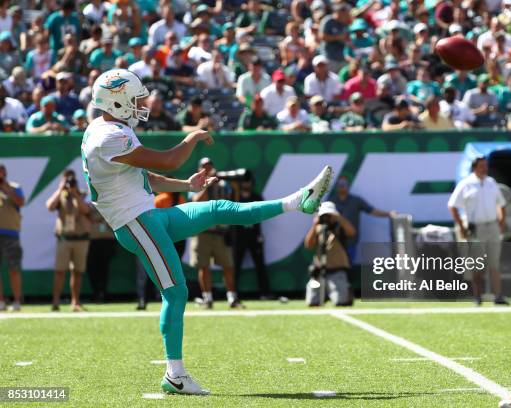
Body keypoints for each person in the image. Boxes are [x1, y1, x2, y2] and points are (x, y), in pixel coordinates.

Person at [82, 69, 333, 395]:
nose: (138, 105)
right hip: (136, 224)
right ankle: (175, 375)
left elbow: (143, 177)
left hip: (148, 216)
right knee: (176, 293)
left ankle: (298, 201)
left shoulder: (105, 130)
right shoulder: (110, 136)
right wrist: (192, 137)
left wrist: (187, 186)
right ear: (116, 99)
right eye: (133, 99)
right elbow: (169, 161)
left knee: (218, 209)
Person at [448, 157, 509, 305]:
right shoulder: (466, 184)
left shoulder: (491, 182)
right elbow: (452, 205)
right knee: (478, 264)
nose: (485, 168)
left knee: (495, 263)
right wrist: (462, 227)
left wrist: (501, 223)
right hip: (476, 228)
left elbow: (501, 204)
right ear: (474, 168)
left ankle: (498, 296)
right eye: (481, 166)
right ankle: (477, 296)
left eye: (486, 166)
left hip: (492, 226)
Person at [189, 158, 243, 310]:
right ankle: (208, 299)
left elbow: (231, 202)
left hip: (220, 232)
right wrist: (206, 185)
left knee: (228, 266)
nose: (208, 170)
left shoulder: (223, 184)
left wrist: (231, 185)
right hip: (202, 232)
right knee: (203, 266)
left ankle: (232, 298)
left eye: (210, 167)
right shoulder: (194, 183)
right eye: (204, 168)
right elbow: (197, 202)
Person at [46, 169, 91, 312]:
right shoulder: (60, 195)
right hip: (64, 238)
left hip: (80, 238)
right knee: (60, 271)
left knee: (77, 272)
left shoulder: (81, 193)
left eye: (71, 179)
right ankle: (56, 301)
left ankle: (75, 302)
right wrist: (60, 189)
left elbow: (86, 210)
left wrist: (75, 193)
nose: (69, 182)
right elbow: (50, 206)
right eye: (66, 179)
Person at [329, 175, 395, 263]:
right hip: (334, 243)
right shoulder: (330, 202)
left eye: (344, 184)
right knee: (334, 269)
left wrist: (388, 214)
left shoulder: (356, 201)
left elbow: (372, 210)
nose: (342, 186)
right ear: (336, 185)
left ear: (348, 185)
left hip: (350, 242)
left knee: (348, 268)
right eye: (340, 184)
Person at [304, 201, 355, 306]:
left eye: (329, 215)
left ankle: (344, 294)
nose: (327, 218)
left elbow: (352, 232)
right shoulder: (318, 228)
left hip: (337, 270)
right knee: (313, 303)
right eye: (324, 215)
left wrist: (338, 218)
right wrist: (315, 225)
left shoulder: (340, 226)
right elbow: (308, 245)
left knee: (342, 302)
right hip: (319, 272)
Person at [230, 173, 272, 299]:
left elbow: (263, 213)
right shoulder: (235, 197)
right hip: (239, 237)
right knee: (235, 266)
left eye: (248, 181)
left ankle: (265, 293)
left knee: (260, 266)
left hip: (255, 236)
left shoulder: (257, 197)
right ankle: (233, 294)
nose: (246, 184)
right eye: (243, 181)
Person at [0, 163, 24, 311]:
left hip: (11, 234)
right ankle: (1, 301)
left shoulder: (14, 187)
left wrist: (6, 189)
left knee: (14, 268)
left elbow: (21, 202)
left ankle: (16, 301)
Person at [86, 205, 116, 303]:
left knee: (104, 267)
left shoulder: (110, 198)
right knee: (92, 268)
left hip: (107, 239)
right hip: (92, 240)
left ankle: (103, 293)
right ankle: (96, 292)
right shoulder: (86, 198)